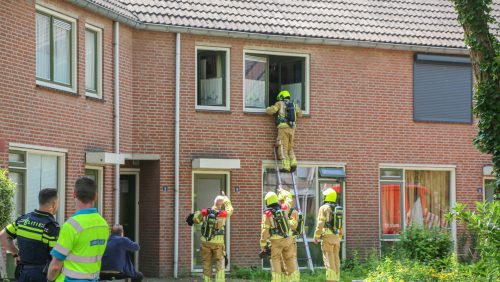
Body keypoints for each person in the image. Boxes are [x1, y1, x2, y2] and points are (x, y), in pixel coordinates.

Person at [47, 176, 109, 282]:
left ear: (74, 194)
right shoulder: (103, 225)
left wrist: (49, 279)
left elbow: (55, 266)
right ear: (95, 196)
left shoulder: (71, 225)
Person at [0, 188, 59, 282]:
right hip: (42, 275)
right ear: (53, 204)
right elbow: (55, 259)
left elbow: (3, 236)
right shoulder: (51, 227)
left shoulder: (23, 220)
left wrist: (16, 254)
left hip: (22, 273)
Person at [187, 191, 233, 282]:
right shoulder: (223, 214)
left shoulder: (205, 212)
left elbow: (195, 219)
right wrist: (226, 198)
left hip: (205, 242)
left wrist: (194, 216)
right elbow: (230, 209)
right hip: (218, 244)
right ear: (221, 204)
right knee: (219, 263)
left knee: (206, 263)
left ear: (214, 202)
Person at [260, 191, 299, 282]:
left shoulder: (267, 214)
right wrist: (283, 191)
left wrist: (263, 245)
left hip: (275, 241)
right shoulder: (284, 208)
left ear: (267, 201)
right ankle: (294, 280)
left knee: (275, 260)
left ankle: (277, 280)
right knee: (290, 259)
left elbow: (264, 231)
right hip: (288, 239)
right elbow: (289, 200)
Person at [266, 90, 303, 172]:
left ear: (281, 97)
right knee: (290, 147)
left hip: (283, 129)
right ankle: (293, 163)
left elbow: (271, 111)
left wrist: (267, 108)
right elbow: (300, 114)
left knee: (282, 147)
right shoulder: (294, 104)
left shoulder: (279, 103)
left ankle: (286, 166)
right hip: (292, 129)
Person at [313, 188, 343, 282]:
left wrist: (316, 236)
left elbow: (320, 224)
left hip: (327, 238)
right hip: (336, 237)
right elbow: (341, 224)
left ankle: (331, 280)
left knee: (329, 262)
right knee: (336, 260)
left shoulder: (324, 208)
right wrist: (340, 236)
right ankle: (336, 279)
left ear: (326, 196)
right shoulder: (338, 208)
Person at [277, 188, 300, 280]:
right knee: (281, 263)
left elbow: (294, 226)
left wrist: (285, 219)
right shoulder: (278, 212)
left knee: (291, 262)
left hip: (290, 241)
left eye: (281, 201)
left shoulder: (293, 212)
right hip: (281, 240)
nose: (279, 203)